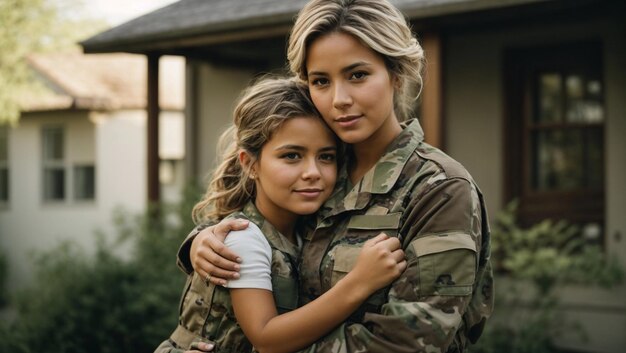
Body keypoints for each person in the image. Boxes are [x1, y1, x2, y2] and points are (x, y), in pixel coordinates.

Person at [178, 0, 494, 352]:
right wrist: (204, 243)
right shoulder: (324, 169)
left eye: (357, 75)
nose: (339, 99)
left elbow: (404, 342)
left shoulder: (439, 189)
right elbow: (262, 224)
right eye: (321, 81)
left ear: (396, 74)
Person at [154, 76, 406, 353]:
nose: (312, 172)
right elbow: (267, 337)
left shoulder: (309, 229)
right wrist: (359, 282)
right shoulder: (243, 239)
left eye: (326, 156)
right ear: (250, 164)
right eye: (291, 156)